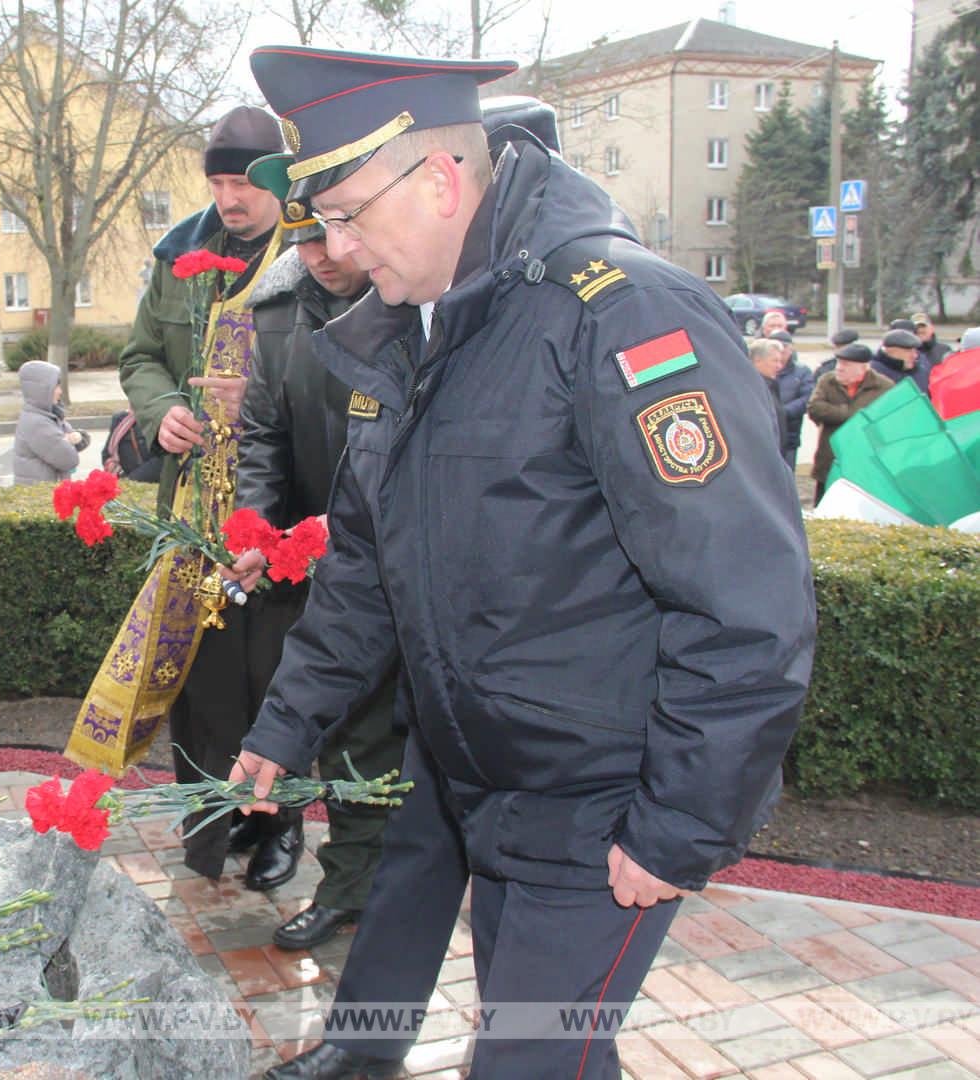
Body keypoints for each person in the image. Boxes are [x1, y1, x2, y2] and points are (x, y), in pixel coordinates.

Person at [229, 46, 815, 1080]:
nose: (343, 249)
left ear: (443, 179)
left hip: (601, 804)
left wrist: (679, 823)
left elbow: (746, 604)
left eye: (354, 215)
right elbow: (365, 566)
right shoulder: (411, 331)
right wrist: (287, 724)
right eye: (325, 224)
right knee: (545, 1054)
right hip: (478, 769)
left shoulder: (620, 315)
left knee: (528, 1062)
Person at [113, 106, 297, 887]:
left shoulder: (315, 247)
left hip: (278, 505)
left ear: (279, 182)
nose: (228, 199)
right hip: (193, 511)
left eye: (243, 183)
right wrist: (164, 413)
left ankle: (278, 826)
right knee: (203, 676)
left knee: (276, 672)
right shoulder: (180, 251)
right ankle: (211, 824)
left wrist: (257, 390)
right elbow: (139, 356)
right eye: (217, 182)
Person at [232, 153, 404, 948]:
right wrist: (257, 527)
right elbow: (262, 431)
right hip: (301, 560)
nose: (324, 261)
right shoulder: (277, 318)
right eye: (302, 246)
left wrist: (352, 527)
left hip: (381, 552)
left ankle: (356, 886)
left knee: (366, 731)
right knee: (311, 718)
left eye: (332, 240)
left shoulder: (403, 303)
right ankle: (328, 860)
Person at [808, 342, 895, 504]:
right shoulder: (827, 381)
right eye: (838, 363)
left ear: (863, 367)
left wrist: (837, 413)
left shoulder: (884, 387)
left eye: (845, 365)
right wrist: (849, 413)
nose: (839, 368)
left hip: (864, 463)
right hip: (830, 459)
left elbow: (888, 421)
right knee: (823, 509)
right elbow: (815, 409)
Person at [13, 359, 89, 484]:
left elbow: (79, 440)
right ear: (40, 390)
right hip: (40, 497)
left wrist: (76, 438)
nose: (60, 391)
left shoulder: (46, 416)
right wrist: (69, 440)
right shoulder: (37, 423)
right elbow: (68, 459)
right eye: (56, 387)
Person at [767, 329, 815, 470]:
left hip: (789, 435)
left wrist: (781, 412)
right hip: (766, 434)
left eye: (784, 348)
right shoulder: (761, 368)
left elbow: (807, 398)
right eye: (777, 348)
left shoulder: (801, 372)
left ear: (791, 349)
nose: (781, 353)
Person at [749, 336, 788, 451]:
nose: (779, 366)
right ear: (757, 360)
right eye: (775, 361)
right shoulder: (751, 390)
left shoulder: (771, 385)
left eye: (780, 361)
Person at [871, 327, 932, 394]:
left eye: (915, 351)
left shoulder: (921, 372)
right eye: (908, 351)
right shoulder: (873, 373)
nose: (915, 356)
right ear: (890, 350)